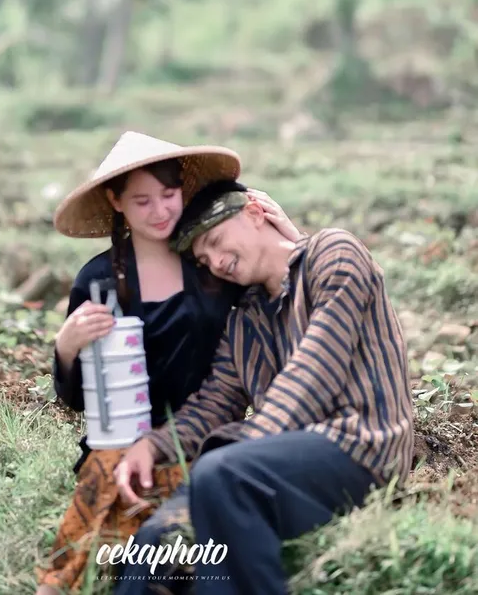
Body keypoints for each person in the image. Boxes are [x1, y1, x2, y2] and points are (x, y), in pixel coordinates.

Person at [114, 179, 414, 595]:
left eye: (217, 241)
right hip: (275, 463)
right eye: (204, 258)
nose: (216, 261)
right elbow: (216, 401)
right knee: (154, 543)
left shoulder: (334, 254)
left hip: (359, 449)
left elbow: (314, 372)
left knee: (221, 475)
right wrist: (153, 445)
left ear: (255, 213)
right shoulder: (244, 317)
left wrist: (245, 447)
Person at [35, 134, 300, 595]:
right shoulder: (98, 282)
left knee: (193, 549)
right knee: (117, 548)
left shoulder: (212, 264)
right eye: (142, 200)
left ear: (184, 190)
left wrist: (291, 240)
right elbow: (78, 399)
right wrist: (67, 348)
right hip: (123, 441)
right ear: (115, 201)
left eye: (169, 195)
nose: (160, 211)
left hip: (209, 436)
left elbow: (284, 305)